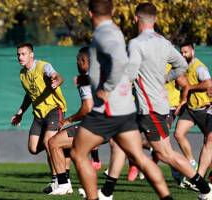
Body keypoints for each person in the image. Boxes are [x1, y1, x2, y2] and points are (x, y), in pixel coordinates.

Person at [70, 1, 172, 199]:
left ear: (90, 13)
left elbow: (119, 61)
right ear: (114, 11)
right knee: (140, 158)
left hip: (107, 111)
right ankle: (167, 197)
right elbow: (110, 65)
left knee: (77, 153)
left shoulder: (103, 34)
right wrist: (87, 78)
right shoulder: (115, 31)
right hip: (124, 110)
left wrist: (107, 89)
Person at [124, 3, 211, 199]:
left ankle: (205, 189)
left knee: (165, 153)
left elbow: (129, 74)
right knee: (127, 142)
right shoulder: (164, 42)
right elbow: (181, 65)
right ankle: (108, 189)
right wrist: (165, 78)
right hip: (158, 107)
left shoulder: (135, 44)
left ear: (136, 18)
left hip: (150, 108)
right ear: (155, 19)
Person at [10, 42, 67, 194]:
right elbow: (29, 95)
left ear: (31, 55)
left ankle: (59, 182)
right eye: (18, 54)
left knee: (49, 143)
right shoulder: (23, 74)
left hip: (54, 110)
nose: (20, 57)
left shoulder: (43, 66)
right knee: (33, 148)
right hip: (39, 114)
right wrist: (20, 112)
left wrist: (57, 80)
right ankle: (64, 146)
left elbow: (57, 76)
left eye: (23, 54)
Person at [48, 46, 93, 195]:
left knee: (53, 142)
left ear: (85, 61)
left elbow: (87, 109)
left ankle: (63, 184)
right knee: (74, 152)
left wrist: (68, 121)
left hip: (95, 125)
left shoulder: (85, 79)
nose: (77, 64)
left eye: (78, 61)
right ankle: (96, 190)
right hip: (114, 124)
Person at [174, 42, 212, 171]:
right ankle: (191, 162)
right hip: (190, 109)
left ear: (193, 52)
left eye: (186, 52)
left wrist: (190, 88)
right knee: (178, 134)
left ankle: (204, 174)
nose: (183, 54)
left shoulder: (199, 67)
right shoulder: (183, 68)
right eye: (182, 52)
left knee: (208, 142)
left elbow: (208, 83)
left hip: (204, 109)